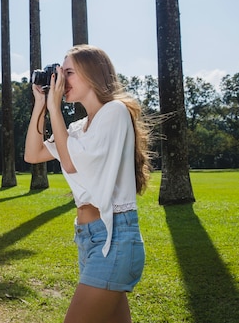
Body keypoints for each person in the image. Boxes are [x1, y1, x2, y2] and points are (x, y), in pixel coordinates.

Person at [24, 44, 151, 323]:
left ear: (92, 74)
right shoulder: (78, 128)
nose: (61, 80)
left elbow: (70, 163)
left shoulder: (114, 112)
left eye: (68, 72)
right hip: (91, 238)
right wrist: (41, 106)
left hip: (114, 239)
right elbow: (33, 155)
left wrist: (55, 108)